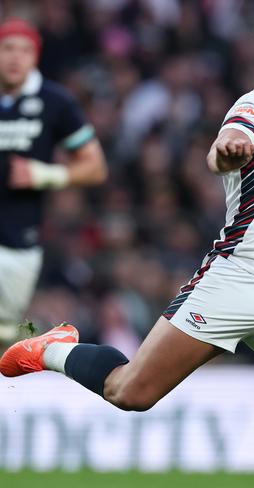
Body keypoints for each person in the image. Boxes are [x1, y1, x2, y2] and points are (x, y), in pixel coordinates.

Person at [0, 3, 254, 488]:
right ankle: (51, 349)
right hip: (236, 285)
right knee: (130, 391)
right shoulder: (253, 108)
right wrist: (226, 151)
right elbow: (230, 143)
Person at [0, 18, 107, 343]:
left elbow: (95, 167)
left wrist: (43, 174)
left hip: (18, 240)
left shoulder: (54, 102)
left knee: (4, 330)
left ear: (36, 56)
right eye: (7, 49)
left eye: (25, 50)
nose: (16, 58)